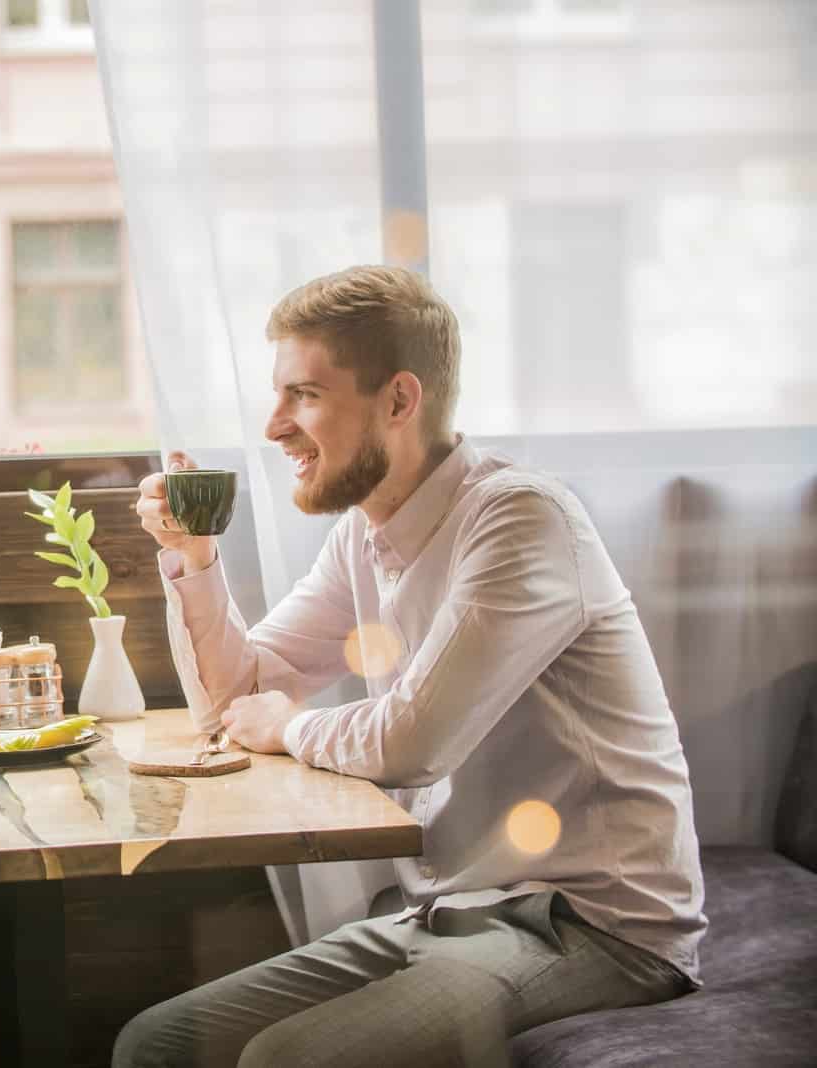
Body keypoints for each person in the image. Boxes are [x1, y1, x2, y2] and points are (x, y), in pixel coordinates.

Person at [119, 265, 704, 1067]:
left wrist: (293, 727)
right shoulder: (363, 534)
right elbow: (237, 702)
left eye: (304, 395)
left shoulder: (519, 518)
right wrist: (194, 558)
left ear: (399, 400)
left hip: (589, 925)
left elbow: (413, 742)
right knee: (159, 1044)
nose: (274, 426)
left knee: (282, 1059)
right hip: (450, 913)